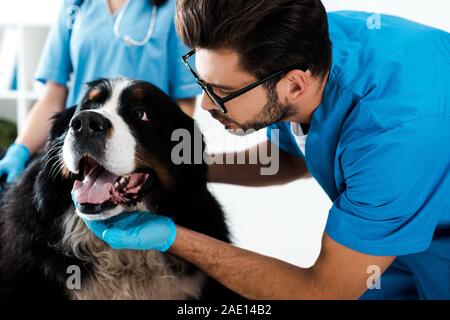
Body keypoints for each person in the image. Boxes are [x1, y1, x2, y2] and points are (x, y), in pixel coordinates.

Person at [83, 0, 450, 299]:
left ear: (294, 85)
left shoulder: (394, 131)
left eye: (222, 92)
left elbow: (323, 291)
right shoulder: (293, 45)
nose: (207, 106)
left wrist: (173, 237)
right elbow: (289, 159)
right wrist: (185, 165)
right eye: (202, 80)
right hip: (396, 228)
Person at [0, 0, 200, 185]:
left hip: (134, 157)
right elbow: (53, 96)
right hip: (81, 144)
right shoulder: (75, 5)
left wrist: (168, 166)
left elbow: (182, 108)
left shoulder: (174, 8)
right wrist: (19, 151)